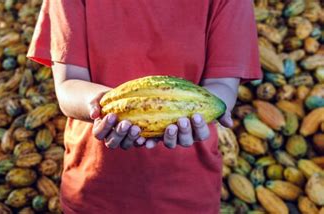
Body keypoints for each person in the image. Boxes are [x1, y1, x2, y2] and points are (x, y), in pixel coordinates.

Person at [27, 0, 262, 213]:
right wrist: (108, 108)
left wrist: (198, 117)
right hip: (95, 190)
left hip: (186, 194)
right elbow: (68, 84)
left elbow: (222, 87)